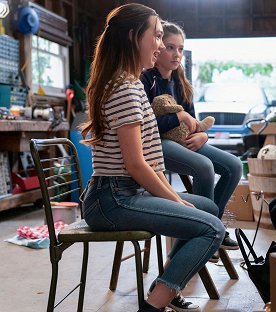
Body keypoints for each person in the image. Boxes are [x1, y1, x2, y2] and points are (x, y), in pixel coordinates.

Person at [79, 4, 224, 312]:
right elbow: (135, 164)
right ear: (134, 37)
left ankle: (166, 285)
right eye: (157, 37)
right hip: (112, 200)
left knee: (208, 208)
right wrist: (174, 200)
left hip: (124, 194)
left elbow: (150, 160)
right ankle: (155, 304)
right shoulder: (125, 89)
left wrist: (174, 198)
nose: (160, 45)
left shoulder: (132, 83)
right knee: (212, 228)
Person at [140, 21, 242, 254]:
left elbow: (194, 122)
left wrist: (203, 137)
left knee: (234, 166)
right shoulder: (147, 79)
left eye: (180, 49)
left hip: (184, 141)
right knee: (204, 167)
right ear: (157, 48)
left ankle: (213, 226)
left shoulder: (180, 82)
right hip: (156, 143)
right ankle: (205, 233)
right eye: (170, 47)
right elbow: (145, 127)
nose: (176, 54)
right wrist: (179, 117)